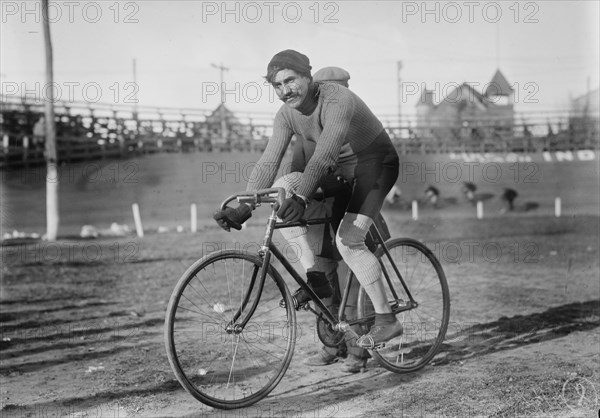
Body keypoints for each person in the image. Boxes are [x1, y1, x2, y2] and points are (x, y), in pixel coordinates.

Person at [214, 49, 403, 354]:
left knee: (348, 241)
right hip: (339, 171)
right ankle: (315, 277)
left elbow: (324, 154)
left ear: (308, 75)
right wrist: (245, 206)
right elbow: (268, 162)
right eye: (277, 85)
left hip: (374, 164)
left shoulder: (337, 99)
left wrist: (301, 197)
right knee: (281, 188)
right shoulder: (286, 114)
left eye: (290, 80)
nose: (285, 90)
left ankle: (386, 317)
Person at [287, 66, 370, 373]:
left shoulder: (358, 126)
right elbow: (296, 168)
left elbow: (360, 172)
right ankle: (331, 345)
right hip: (319, 216)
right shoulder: (306, 127)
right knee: (324, 285)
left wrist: (318, 184)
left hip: (349, 211)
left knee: (354, 286)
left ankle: (360, 351)